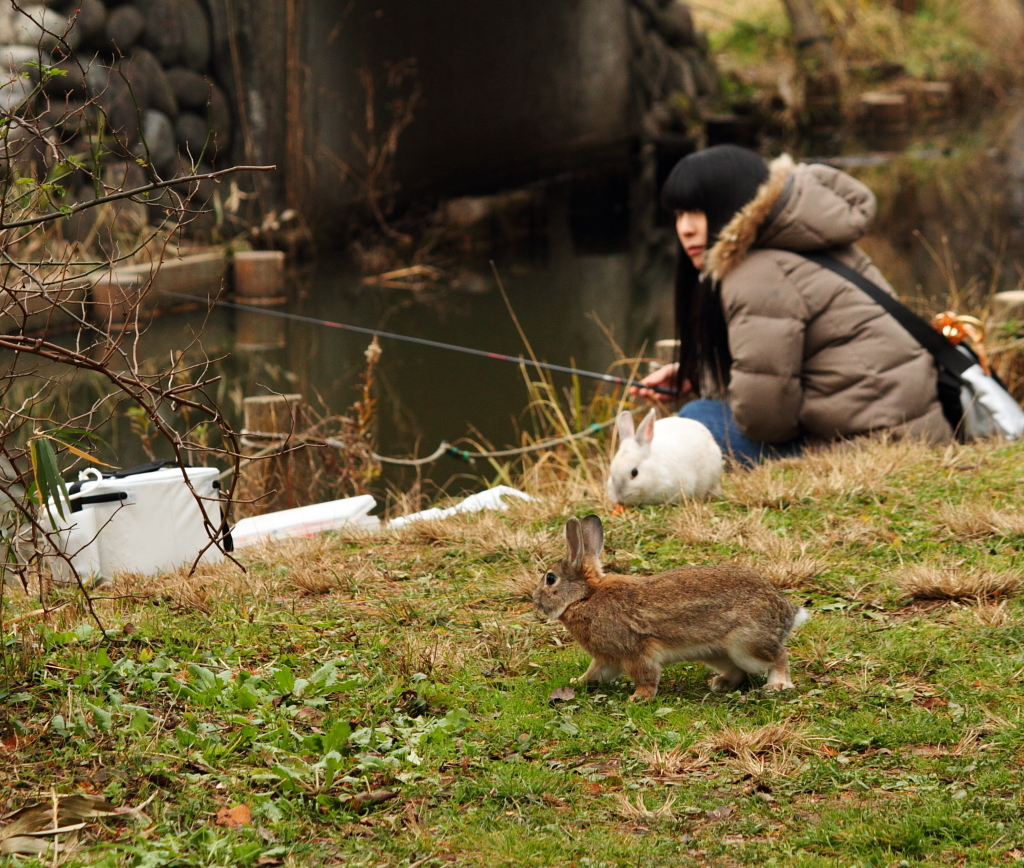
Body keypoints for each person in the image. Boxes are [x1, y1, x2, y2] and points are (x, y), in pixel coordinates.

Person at [634, 144, 952, 465]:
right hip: (917, 434)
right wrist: (699, 376)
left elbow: (766, 421)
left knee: (694, 420)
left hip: (864, 451)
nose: (685, 228)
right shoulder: (810, 241)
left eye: (698, 211)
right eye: (679, 214)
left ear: (732, 204)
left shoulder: (756, 274)